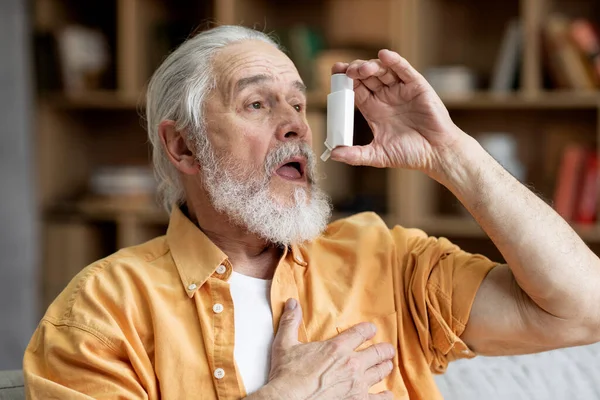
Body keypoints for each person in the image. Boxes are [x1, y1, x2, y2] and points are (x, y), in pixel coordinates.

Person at [24, 25, 600, 400]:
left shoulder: (386, 260)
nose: (296, 122)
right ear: (184, 147)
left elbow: (583, 311)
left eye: (299, 102)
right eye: (257, 102)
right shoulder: (103, 309)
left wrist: (453, 154)